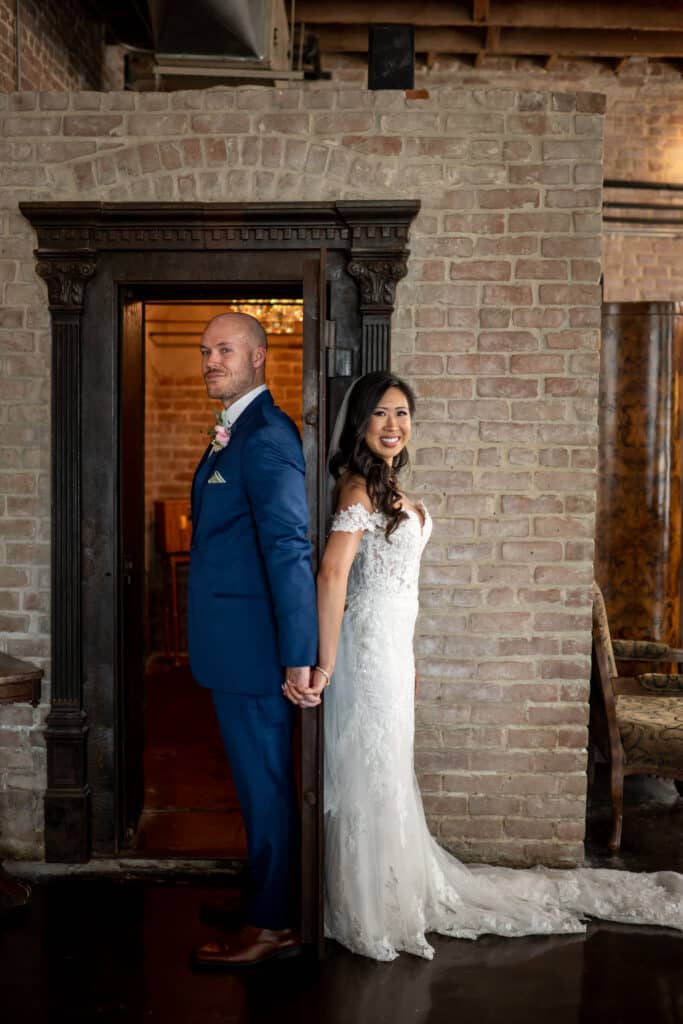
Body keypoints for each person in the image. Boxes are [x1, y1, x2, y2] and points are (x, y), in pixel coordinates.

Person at [285, 370, 683, 961]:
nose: (393, 426)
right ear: (360, 422)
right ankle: (365, 902)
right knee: (366, 772)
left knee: (389, 770)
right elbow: (332, 576)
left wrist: (407, 661)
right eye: (381, 415)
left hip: (393, 653)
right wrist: (325, 664)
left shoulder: (388, 486)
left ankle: (391, 891)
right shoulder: (356, 491)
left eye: (402, 414)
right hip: (362, 655)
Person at [188, 312, 317, 969]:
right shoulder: (232, 431)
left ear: (259, 357)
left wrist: (300, 652)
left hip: (258, 649)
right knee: (254, 784)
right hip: (234, 645)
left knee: (266, 786)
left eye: (226, 350)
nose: (212, 360)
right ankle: (263, 896)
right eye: (206, 350)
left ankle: (272, 924)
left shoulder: (266, 434)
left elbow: (288, 545)